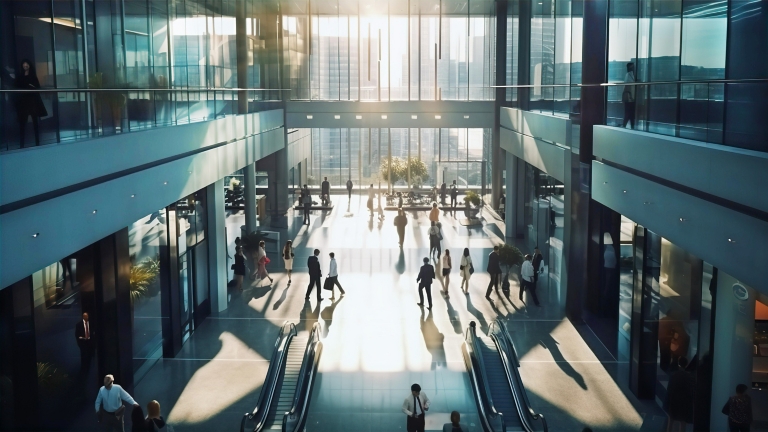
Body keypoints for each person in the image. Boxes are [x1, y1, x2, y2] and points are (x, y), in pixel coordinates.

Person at [14, 59, 47, 148]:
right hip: (23, 102)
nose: (25, 65)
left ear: (29, 65)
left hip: (32, 101)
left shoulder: (33, 76)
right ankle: (22, 144)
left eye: (26, 64)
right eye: (23, 64)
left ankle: (37, 142)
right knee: (22, 122)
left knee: (35, 121)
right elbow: (16, 87)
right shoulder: (20, 76)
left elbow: (37, 87)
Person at [665, 357, 695, 432]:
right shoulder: (689, 377)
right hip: (684, 402)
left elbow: (669, 389)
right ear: (686, 364)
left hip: (673, 401)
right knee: (683, 423)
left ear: (678, 364)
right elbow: (691, 390)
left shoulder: (673, 375)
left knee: (670, 422)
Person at [622, 62, 636, 129]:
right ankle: (625, 125)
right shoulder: (629, 75)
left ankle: (628, 126)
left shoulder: (630, 75)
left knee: (630, 113)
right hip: (629, 97)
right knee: (629, 113)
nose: (633, 68)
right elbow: (627, 87)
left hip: (630, 97)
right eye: (632, 67)